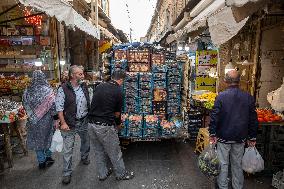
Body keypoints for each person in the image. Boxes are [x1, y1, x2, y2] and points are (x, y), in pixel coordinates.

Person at [209, 70, 258, 189]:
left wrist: (212, 133)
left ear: (225, 81)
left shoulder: (221, 97)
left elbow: (215, 117)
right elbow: (253, 119)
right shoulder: (248, 97)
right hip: (240, 137)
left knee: (223, 164)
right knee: (237, 164)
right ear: (239, 81)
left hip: (223, 137)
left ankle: (223, 187)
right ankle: (237, 187)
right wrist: (252, 136)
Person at [88, 70, 134, 181]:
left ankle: (102, 174)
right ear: (121, 80)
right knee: (114, 152)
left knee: (99, 151)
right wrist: (118, 125)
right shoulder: (119, 91)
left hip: (91, 124)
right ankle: (121, 174)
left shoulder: (100, 86)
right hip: (105, 126)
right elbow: (117, 114)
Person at [55, 65, 91, 185]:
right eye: (79, 74)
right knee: (68, 149)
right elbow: (59, 108)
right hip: (70, 123)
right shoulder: (63, 89)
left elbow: (88, 100)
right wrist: (63, 123)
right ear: (72, 75)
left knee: (86, 141)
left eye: (82, 73)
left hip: (84, 120)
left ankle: (84, 156)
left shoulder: (84, 86)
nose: (83, 75)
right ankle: (66, 173)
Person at [22, 70, 58, 169]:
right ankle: (48, 157)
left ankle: (41, 161)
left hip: (33, 120)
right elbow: (53, 106)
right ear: (43, 77)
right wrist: (56, 118)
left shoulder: (27, 91)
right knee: (47, 137)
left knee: (37, 139)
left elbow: (24, 104)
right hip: (47, 120)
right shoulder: (48, 90)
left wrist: (31, 115)